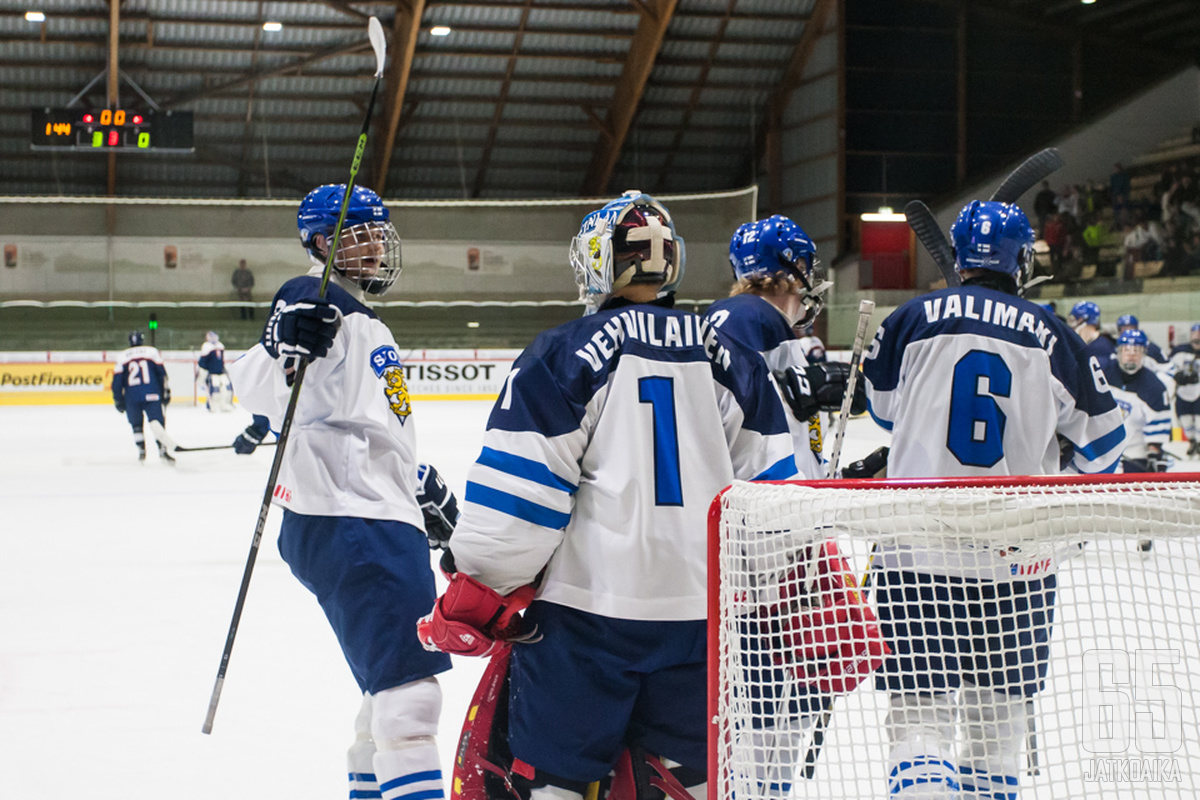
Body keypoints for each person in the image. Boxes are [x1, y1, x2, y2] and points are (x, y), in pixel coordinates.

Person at [417, 190, 801, 800]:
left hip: (582, 622)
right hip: (700, 620)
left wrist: (476, 583)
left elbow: (520, 503)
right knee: (689, 780)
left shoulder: (565, 352)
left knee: (559, 781)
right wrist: (756, 592)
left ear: (599, 262)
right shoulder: (736, 361)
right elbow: (776, 505)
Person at [861, 200, 1126, 799]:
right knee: (995, 727)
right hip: (1018, 560)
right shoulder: (1052, 334)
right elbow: (1107, 444)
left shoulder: (913, 317)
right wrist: (1053, 443)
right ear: (1020, 260)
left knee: (920, 716)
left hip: (916, 554)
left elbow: (882, 411)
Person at [226, 183, 453, 800]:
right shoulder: (317, 297)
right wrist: (283, 339)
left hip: (364, 513)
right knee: (411, 698)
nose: (379, 245)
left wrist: (416, 483)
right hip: (356, 520)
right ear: (325, 243)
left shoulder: (359, 316)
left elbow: (364, 421)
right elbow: (273, 356)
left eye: (381, 232)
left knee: (383, 697)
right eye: (363, 233)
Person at [1103, 329, 1172, 552]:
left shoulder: (1154, 387)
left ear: (1144, 354)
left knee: (1141, 497)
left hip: (1134, 448)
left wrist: (1154, 452)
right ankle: (1081, 535)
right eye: (1127, 350)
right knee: (1091, 493)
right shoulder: (1102, 372)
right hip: (1102, 445)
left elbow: (1158, 425)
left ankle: (1144, 534)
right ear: (1119, 352)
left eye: (1136, 351)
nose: (1131, 356)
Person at [112, 331, 177, 464]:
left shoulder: (123, 356)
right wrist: (165, 392)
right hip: (152, 393)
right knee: (157, 423)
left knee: (136, 425)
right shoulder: (152, 352)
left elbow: (117, 382)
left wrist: (118, 399)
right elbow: (162, 374)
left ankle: (141, 451)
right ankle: (162, 450)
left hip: (132, 397)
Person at [1169, 323, 1200, 457]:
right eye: (1195, 333)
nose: (1197, 336)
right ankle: (1192, 441)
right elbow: (1168, 367)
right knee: (1185, 419)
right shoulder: (1180, 350)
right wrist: (1177, 376)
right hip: (1183, 392)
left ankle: (1199, 442)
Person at [197, 330, 234, 412]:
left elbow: (222, 360)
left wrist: (224, 369)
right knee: (215, 390)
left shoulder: (220, 346)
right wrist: (204, 373)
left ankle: (225, 404)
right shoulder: (206, 346)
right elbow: (202, 362)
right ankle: (213, 405)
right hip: (212, 373)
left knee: (227, 388)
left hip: (221, 372)